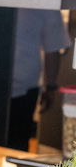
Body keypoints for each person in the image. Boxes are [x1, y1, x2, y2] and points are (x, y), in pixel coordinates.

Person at [7, 9, 71, 151]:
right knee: (16, 145)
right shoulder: (46, 1)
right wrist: (50, 87)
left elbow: (52, 50)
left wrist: (50, 86)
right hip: (23, 84)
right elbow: (52, 50)